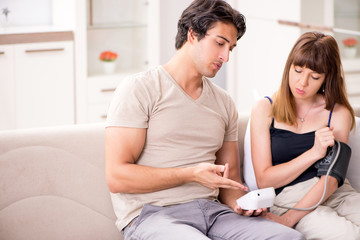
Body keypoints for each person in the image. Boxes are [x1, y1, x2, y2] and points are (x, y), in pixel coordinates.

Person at [105, 0, 305, 239]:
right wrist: (190, 174)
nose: (226, 57)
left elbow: (229, 180)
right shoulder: (140, 88)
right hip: (154, 215)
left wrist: (240, 204)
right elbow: (117, 177)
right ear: (192, 33)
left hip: (215, 214)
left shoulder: (223, 102)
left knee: (289, 237)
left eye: (230, 48)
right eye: (220, 43)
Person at [250, 31, 360, 239]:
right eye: (298, 70)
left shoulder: (338, 113)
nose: (302, 83)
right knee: (348, 236)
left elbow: (333, 178)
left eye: (315, 76)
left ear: (327, 78)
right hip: (291, 198)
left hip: (336, 191)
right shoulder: (265, 109)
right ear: (289, 66)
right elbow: (265, 180)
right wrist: (314, 153)